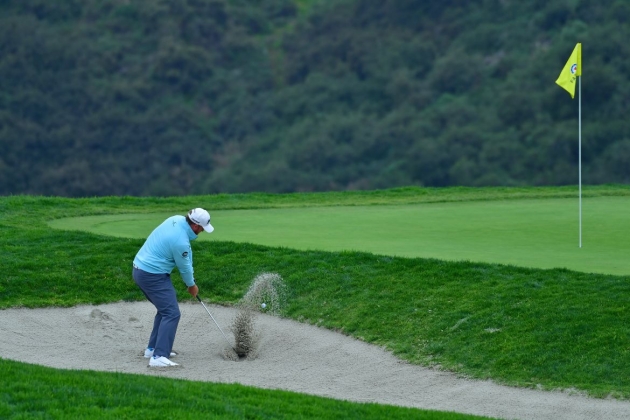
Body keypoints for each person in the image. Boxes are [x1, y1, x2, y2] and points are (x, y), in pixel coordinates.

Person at [132, 208, 214, 367]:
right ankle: (158, 357)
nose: (202, 231)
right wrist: (191, 286)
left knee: (165, 310)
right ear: (196, 226)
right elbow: (184, 268)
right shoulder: (180, 241)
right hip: (152, 275)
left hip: (140, 269)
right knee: (171, 313)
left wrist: (191, 278)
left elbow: (187, 258)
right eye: (203, 228)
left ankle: (153, 348)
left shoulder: (175, 219)